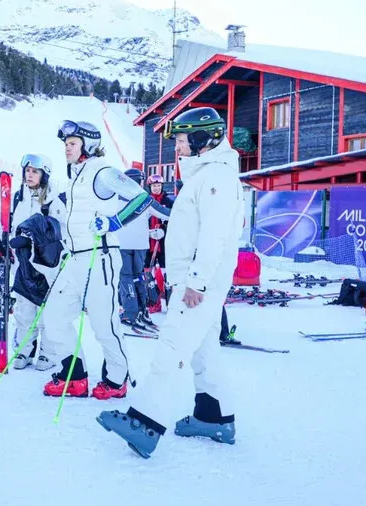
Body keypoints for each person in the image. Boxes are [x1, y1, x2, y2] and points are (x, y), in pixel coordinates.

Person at [96, 107, 245, 458]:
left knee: (172, 349)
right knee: (204, 353)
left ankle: (144, 424)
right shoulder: (205, 175)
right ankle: (215, 418)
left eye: (180, 140)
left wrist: (196, 281)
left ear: (200, 139)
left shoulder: (216, 178)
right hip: (198, 281)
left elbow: (214, 236)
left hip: (199, 283)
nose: (176, 148)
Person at [41, 120, 168, 400]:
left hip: (100, 259)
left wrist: (114, 222)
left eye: (72, 143)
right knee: (53, 317)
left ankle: (116, 379)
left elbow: (142, 199)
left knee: (103, 324)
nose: (67, 148)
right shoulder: (76, 175)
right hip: (73, 259)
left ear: (88, 145)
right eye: (65, 144)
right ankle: (73, 376)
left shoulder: (103, 172)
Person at [0, 153, 60, 371]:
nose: (29, 175)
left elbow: (59, 229)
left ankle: (49, 353)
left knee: (48, 310)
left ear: (44, 174)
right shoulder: (16, 197)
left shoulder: (54, 199)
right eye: (27, 171)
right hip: (20, 262)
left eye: (35, 171)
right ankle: (24, 349)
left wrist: (32, 240)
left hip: (46, 264)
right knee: (23, 308)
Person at [114, 168, 169, 332]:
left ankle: (130, 314)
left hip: (123, 245)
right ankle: (142, 312)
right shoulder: (145, 199)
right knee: (139, 277)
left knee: (126, 278)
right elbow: (165, 213)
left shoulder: (115, 198)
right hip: (141, 245)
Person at [145, 174, 174, 269]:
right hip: (148, 238)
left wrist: (165, 227)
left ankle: (163, 281)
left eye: (159, 186)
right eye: (154, 186)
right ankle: (149, 280)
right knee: (147, 262)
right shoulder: (145, 201)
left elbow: (174, 218)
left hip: (163, 239)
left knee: (164, 262)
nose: (156, 188)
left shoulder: (168, 201)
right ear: (150, 187)